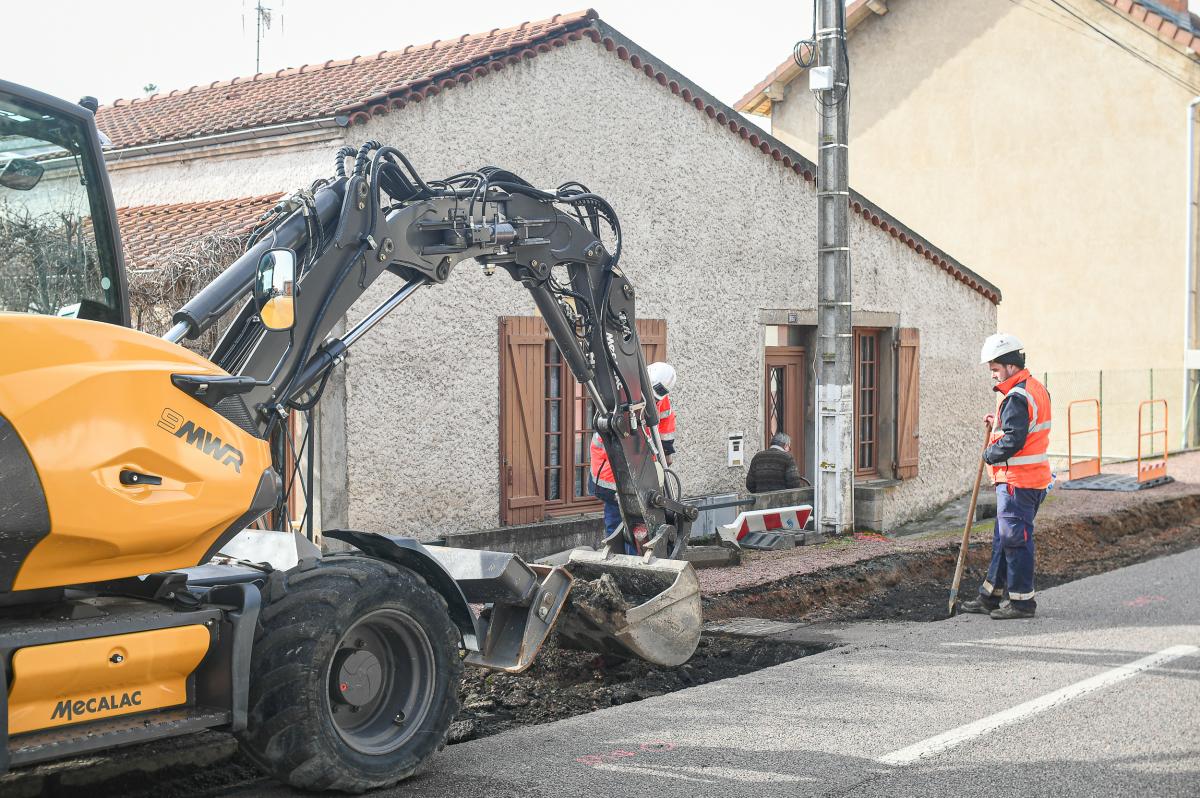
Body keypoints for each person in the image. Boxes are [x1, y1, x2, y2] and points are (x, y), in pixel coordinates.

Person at [961, 333, 1052, 620]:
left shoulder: (1016, 396)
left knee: (1015, 540)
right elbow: (1023, 426)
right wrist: (997, 422)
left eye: (995, 369)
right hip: (1029, 480)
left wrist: (989, 454)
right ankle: (989, 596)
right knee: (1004, 539)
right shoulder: (1034, 388)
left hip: (1018, 482)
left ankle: (1022, 602)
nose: (994, 374)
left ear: (1010, 366)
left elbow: (1014, 440)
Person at [589, 361, 678, 552]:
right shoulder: (622, 395)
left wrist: (666, 454)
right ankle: (622, 559)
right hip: (610, 470)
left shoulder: (660, 399)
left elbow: (665, 427)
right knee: (621, 522)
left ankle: (633, 559)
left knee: (639, 522)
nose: (652, 402)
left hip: (639, 470)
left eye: (655, 398)